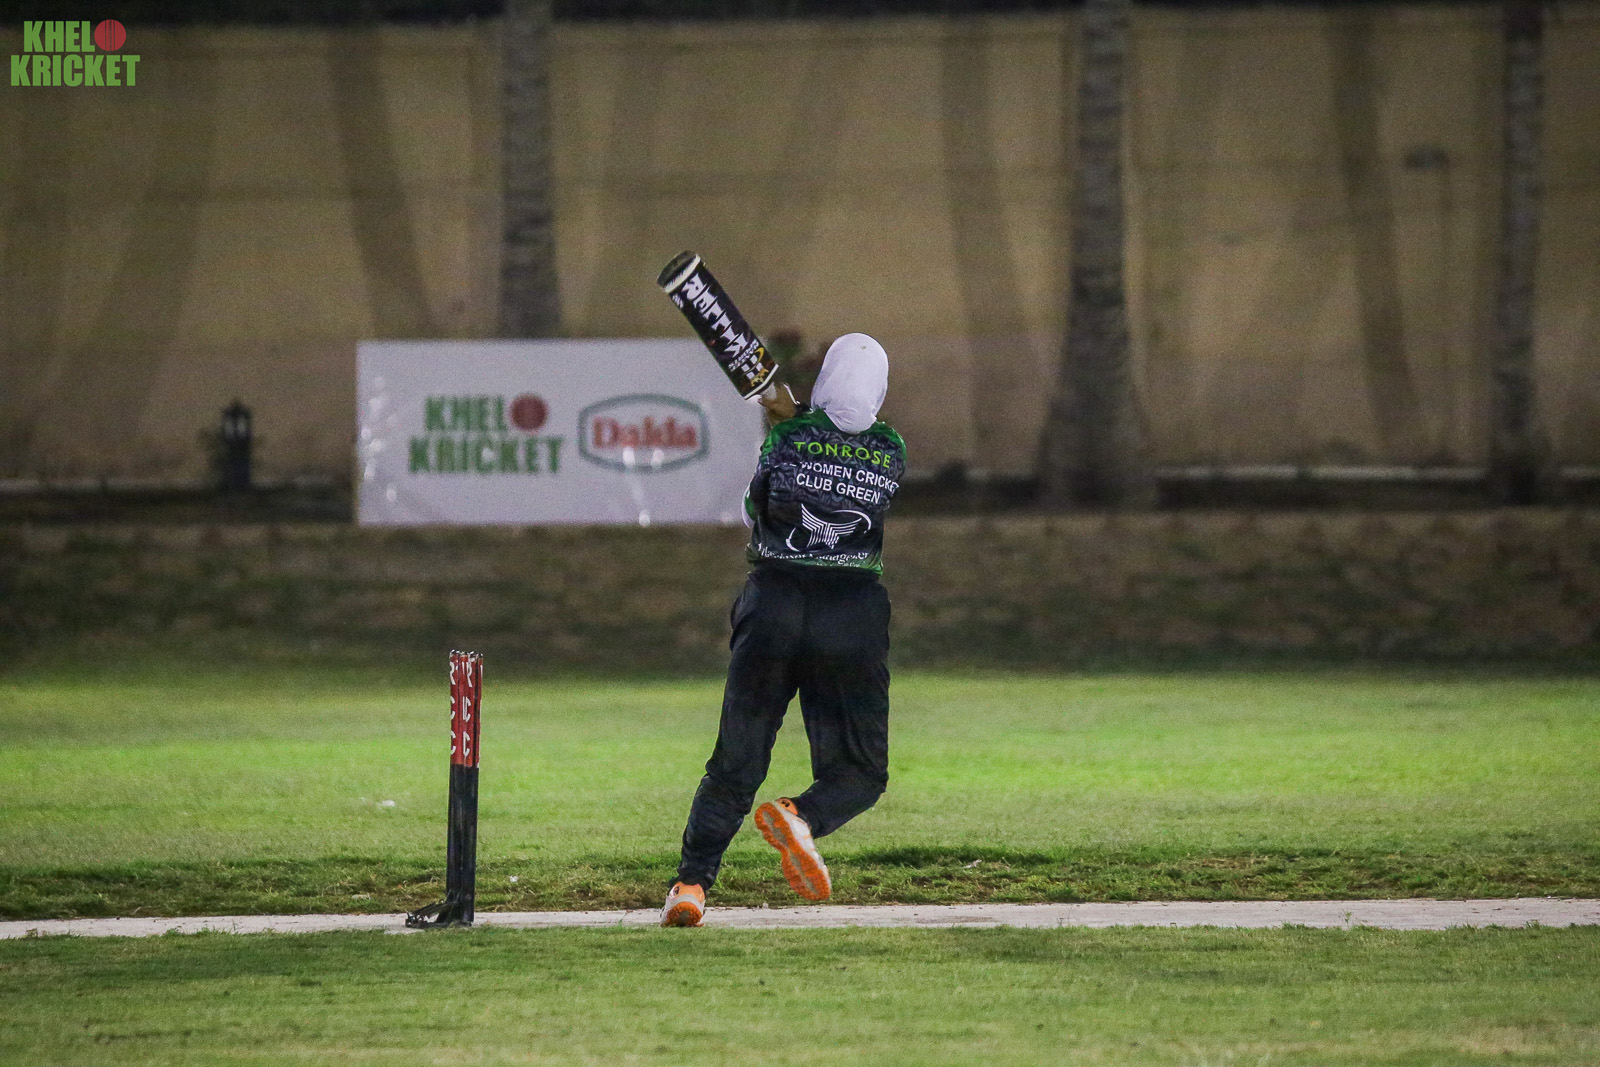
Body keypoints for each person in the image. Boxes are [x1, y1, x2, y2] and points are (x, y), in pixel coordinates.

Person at [662, 333, 907, 927]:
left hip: (773, 602)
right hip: (851, 612)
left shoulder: (788, 439)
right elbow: (841, 443)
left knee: (736, 762)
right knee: (860, 772)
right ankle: (801, 816)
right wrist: (796, 418)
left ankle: (691, 885)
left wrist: (787, 419)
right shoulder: (891, 449)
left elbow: (754, 508)